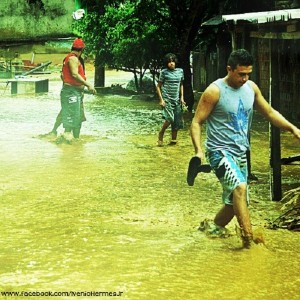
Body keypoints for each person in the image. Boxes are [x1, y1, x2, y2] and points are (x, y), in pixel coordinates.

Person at [190, 49, 300, 248]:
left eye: (248, 73)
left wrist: (292, 128)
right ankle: (249, 243)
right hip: (219, 152)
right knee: (240, 188)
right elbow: (196, 122)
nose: (245, 78)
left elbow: (269, 111)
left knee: (234, 204)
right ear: (229, 69)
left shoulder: (251, 88)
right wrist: (198, 151)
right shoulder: (214, 91)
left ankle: (211, 228)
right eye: (241, 74)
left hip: (241, 152)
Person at [59, 37, 96, 143]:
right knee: (70, 120)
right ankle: (68, 147)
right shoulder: (73, 59)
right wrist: (88, 84)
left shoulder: (68, 59)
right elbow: (75, 74)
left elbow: (62, 76)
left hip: (74, 92)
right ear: (81, 50)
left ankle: (76, 144)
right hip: (71, 93)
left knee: (78, 118)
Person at [47, 56, 87, 139]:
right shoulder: (71, 62)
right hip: (71, 93)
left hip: (76, 93)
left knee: (77, 116)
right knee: (69, 115)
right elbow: (67, 76)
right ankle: (61, 133)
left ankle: (74, 138)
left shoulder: (75, 62)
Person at [156, 53, 186, 146]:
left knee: (177, 121)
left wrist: (182, 97)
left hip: (176, 100)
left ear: (175, 62)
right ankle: (161, 133)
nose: (171, 63)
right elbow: (158, 86)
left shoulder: (180, 71)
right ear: (166, 63)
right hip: (167, 99)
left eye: (173, 61)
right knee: (169, 119)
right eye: (169, 62)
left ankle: (173, 141)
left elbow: (181, 84)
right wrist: (161, 100)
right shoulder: (164, 72)